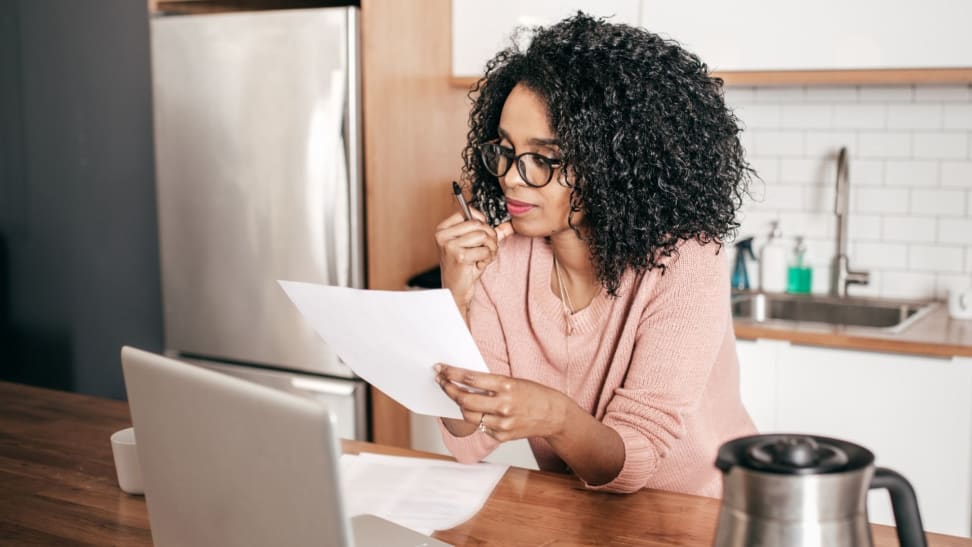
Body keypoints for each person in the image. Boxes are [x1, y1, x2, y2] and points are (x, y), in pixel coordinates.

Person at [432, 12, 756, 497]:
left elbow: (636, 459)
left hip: (707, 515)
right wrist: (453, 300)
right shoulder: (501, 263)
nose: (512, 177)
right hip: (582, 517)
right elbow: (468, 441)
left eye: (544, 158)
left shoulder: (686, 259)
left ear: (616, 164)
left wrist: (555, 416)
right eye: (505, 149)